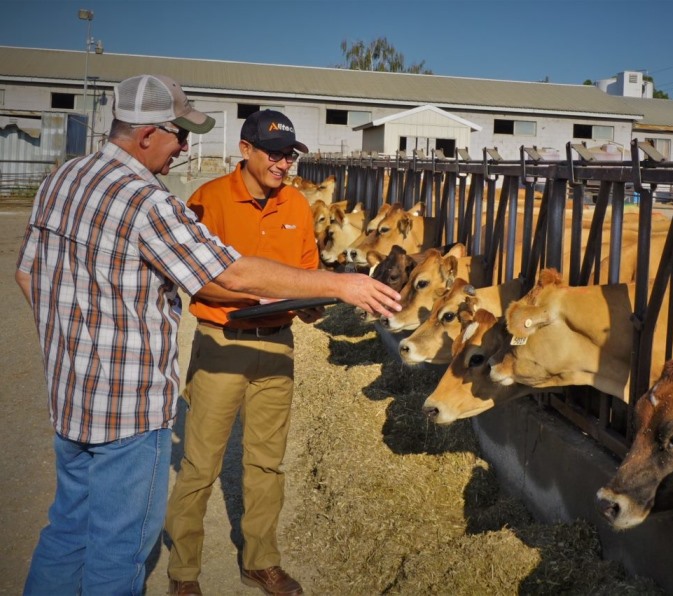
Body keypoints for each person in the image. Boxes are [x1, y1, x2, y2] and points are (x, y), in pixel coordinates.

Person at [15, 75, 400, 596]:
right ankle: (185, 572)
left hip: (74, 394)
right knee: (119, 544)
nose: (186, 146)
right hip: (133, 402)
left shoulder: (64, 179)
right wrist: (341, 283)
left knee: (68, 531)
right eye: (180, 134)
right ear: (148, 132)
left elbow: (28, 274)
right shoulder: (152, 201)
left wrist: (79, 340)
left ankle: (260, 557)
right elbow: (227, 275)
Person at [164, 109, 324, 596]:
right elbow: (193, 279)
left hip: (277, 347)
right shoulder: (207, 201)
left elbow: (308, 273)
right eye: (274, 154)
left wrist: (313, 304)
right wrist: (254, 297)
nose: (283, 164)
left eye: (289, 155)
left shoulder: (297, 205)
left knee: (266, 463)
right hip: (221, 345)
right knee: (200, 466)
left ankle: (261, 561)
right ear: (246, 150)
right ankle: (184, 572)